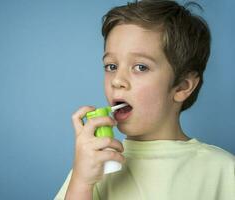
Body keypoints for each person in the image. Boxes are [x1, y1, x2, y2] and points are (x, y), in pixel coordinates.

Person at [55, 0, 235, 199]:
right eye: (111, 66)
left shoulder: (224, 171)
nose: (117, 80)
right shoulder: (93, 166)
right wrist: (81, 182)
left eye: (140, 67)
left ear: (182, 86)